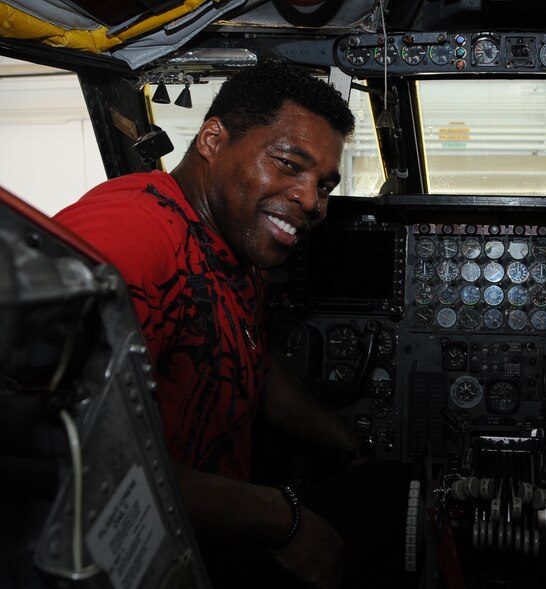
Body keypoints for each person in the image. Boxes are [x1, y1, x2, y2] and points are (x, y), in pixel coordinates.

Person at [54, 63, 405, 589]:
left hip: (208, 534)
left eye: (325, 184)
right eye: (288, 164)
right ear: (213, 139)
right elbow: (63, 457)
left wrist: (345, 442)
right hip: (137, 560)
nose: (312, 201)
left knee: (387, 486)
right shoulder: (134, 234)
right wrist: (280, 519)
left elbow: (249, 358)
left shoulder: (234, 241)